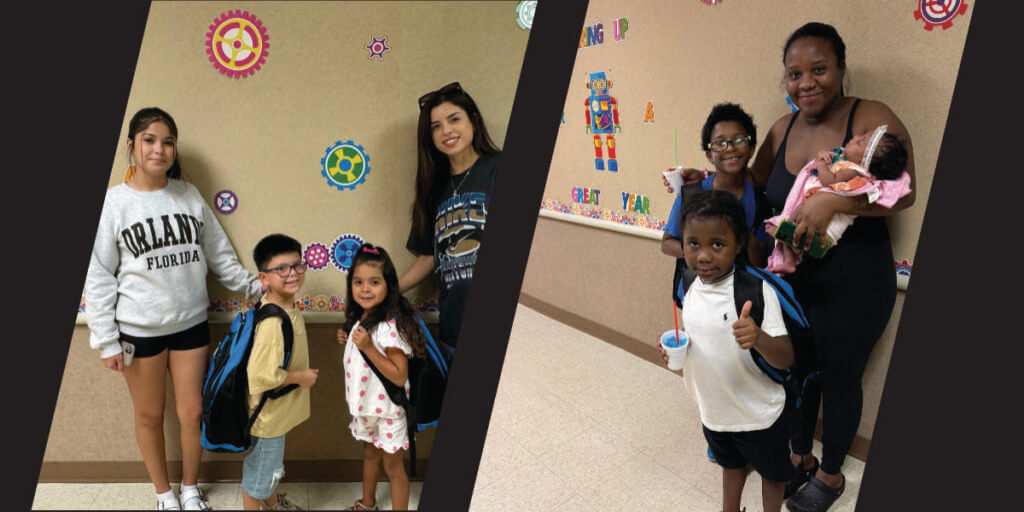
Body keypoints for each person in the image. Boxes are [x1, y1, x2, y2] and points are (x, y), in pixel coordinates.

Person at [755, 23, 916, 512]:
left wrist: (832, 202)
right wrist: (708, 181)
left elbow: (904, 192)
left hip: (857, 284)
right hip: (794, 284)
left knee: (840, 378)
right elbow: (754, 186)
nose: (807, 82)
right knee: (799, 374)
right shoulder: (781, 129)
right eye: (795, 73)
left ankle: (831, 475)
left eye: (819, 69)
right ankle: (800, 457)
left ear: (842, 69)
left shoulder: (870, 117)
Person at [85, 107, 263, 510]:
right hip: (138, 332)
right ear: (131, 146)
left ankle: (190, 488)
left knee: (192, 411)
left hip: (191, 325)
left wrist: (255, 286)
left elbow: (220, 255)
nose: (159, 150)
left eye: (167, 142)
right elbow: (98, 276)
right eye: (149, 140)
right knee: (149, 415)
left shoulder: (189, 195)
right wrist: (106, 340)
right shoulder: (113, 204)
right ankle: (164, 494)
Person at [663, 190, 794, 512]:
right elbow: (701, 340)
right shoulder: (690, 284)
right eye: (693, 243)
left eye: (717, 244)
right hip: (715, 412)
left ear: (738, 245)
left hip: (758, 414)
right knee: (731, 465)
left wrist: (759, 337)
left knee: (772, 473)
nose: (703, 256)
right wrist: (677, 353)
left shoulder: (756, 290)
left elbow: (786, 357)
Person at [401, 82, 501, 361]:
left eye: (454, 119)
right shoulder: (432, 191)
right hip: (453, 331)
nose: (446, 131)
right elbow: (427, 258)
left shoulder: (498, 168)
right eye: (435, 126)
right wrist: (388, 292)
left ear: (473, 120)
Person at [337, 244, 427, 511]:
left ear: (389, 286)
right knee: (369, 454)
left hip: (388, 410)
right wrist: (349, 338)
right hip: (366, 408)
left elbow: (399, 376)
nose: (365, 289)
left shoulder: (390, 328)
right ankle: (367, 503)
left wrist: (366, 348)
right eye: (358, 282)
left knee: (393, 466)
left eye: (374, 282)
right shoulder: (360, 320)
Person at [662, 102, 773, 303]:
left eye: (739, 140)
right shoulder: (691, 194)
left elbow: (758, 261)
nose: (730, 148)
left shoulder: (759, 200)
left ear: (751, 149)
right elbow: (666, 243)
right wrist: (699, 251)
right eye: (719, 143)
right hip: (696, 294)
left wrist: (737, 227)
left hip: (739, 297)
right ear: (709, 155)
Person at [765, 124, 911, 274]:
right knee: (795, 219)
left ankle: (785, 237)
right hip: (814, 221)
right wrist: (823, 154)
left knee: (797, 213)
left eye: (860, 142)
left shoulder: (854, 171)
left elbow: (829, 181)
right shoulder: (843, 161)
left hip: (824, 231)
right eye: (860, 136)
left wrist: (821, 164)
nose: (855, 138)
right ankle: (789, 261)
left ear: (865, 161)